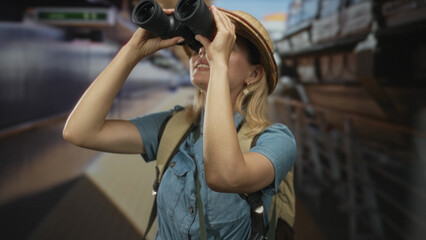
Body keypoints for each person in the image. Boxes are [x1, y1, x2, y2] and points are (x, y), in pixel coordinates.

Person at [63, 5, 296, 240]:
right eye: (197, 45)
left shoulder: (275, 140)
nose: (203, 52)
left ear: (254, 74)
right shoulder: (174, 126)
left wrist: (218, 63)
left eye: (223, 47)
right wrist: (132, 51)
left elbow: (224, 176)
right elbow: (80, 132)